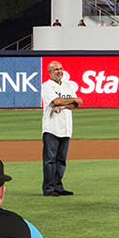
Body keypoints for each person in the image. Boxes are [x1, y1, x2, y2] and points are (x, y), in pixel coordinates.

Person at [41, 61, 82, 197]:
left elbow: (75, 105)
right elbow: (56, 101)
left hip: (66, 128)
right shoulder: (47, 86)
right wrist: (72, 100)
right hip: (51, 128)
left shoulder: (67, 85)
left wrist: (65, 104)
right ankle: (48, 188)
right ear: (50, 72)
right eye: (55, 70)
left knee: (61, 161)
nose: (59, 71)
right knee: (50, 160)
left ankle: (58, 186)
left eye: (60, 69)